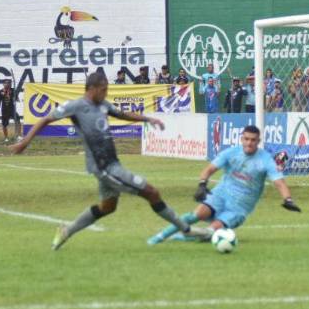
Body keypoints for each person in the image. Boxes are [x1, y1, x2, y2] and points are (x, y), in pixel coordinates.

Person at [10, 73, 201, 250]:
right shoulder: (75, 106)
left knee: (108, 207)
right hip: (105, 167)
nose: (105, 93)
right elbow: (45, 119)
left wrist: (148, 119)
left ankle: (66, 231)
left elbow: (123, 114)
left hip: (111, 164)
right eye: (103, 90)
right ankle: (187, 230)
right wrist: (25, 141)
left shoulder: (103, 105)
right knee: (151, 192)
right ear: (91, 88)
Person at [147, 125, 301, 245]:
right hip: (221, 194)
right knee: (198, 214)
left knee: (211, 231)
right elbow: (210, 169)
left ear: (258, 141)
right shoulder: (231, 152)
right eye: (246, 139)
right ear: (242, 139)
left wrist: (288, 200)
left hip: (240, 206)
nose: (249, 143)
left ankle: (183, 237)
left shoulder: (265, 159)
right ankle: (160, 236)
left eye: (253, 140)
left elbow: (279, 182)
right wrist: (202, 185)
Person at [0, 79, 20, 143]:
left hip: (12, 109)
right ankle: (6, 138)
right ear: (3, 84)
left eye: (9, 83)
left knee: (17, 120)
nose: (8, 84)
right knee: (4, 124)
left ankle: (18, 136)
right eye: (6, 83)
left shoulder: (13, 90)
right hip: (4, 110)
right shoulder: (0, 92)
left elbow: (17, 98)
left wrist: (16, 97)